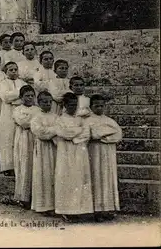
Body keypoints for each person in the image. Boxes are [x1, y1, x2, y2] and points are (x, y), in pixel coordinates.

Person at [53, 92, 93, 222]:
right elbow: (63, 133)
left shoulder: (81, 119)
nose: (73, 107)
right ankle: (66, 211)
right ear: (64, 105)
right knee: (66, 178)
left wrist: (74, 136)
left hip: (80, 151)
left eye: (75, 105)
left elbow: (87, 134)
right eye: (70, 105)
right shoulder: (59, 120)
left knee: (79, 178)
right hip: (65, 152)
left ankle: (80, 209)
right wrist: (77, 132)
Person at [85, 94, 122, 221]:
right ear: (91, 107)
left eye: (101, 106)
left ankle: (107, 208)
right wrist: (106, 133)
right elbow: (93, 134)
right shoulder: (87, 121)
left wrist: (104, 138)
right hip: (94, 153)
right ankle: (96, 210)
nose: (99, 108)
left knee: (107, 178)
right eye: (96, 106)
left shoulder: (110, 121)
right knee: (96, 178)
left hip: (108, 153)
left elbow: (118, 135)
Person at [30, 91, 58, 214]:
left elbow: (61, 129)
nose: (48, 104)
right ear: (39, 102)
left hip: (55, 147)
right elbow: (40, 132)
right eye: (44, 102)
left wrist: (51, 131)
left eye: (50, 102)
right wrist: (53, 131)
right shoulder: (36, 117)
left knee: (53, 174)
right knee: (43, 174)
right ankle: (43, 206)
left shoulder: (56, 116)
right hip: (42, 149)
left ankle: (54, 204)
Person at [12, 85, 40, 209]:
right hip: (23, 139)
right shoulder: (17, 110)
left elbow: (38, 122)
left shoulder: (38, 110)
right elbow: (23, 123)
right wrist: (33, 122)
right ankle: (23, 197)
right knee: (24, 165)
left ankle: (35, 197)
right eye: (26, 96)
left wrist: (31, 122)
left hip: (35, 139)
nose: (29, 98)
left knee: (35, 166)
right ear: (21, 97)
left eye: (31, 96)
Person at [0, 62, 26, 176]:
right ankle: (7, 166)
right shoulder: (2, 83)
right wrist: (19, 95)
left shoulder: (22, 83)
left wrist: (15, 97)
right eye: (11, 70)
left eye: (15, 69)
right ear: (5, 72)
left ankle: (19, 166)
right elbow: (5, 97)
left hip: (20, 111)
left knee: (19, 139)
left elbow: (25, 97)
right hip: (7, 113)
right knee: (7, 138)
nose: (14, 72)